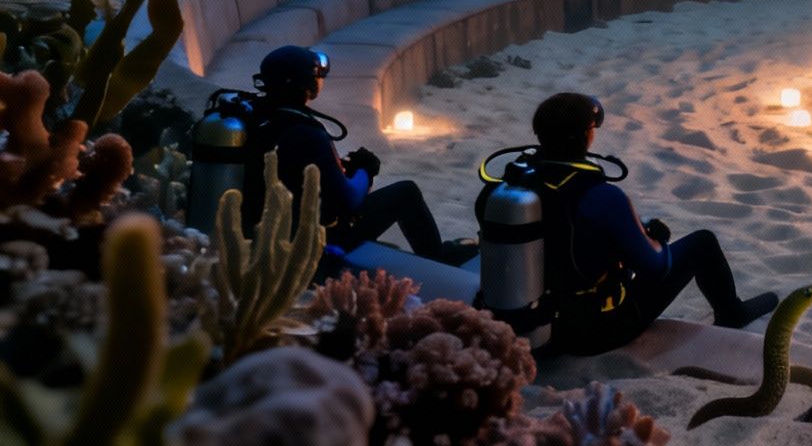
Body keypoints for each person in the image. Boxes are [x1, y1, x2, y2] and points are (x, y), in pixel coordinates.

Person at [510, 92, 777, 356]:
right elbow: (657, 267)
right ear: (587, 135)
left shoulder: (513, 185)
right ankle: (732, 314)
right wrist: (656, 238)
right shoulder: (602, 196)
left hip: (529, 324)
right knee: (703, 243)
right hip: (593, 333)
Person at [248, 45, 471, 265]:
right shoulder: (305, 133)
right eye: (316, 74)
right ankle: (437, 260)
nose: (320, 79)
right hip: (310, 242)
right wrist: (365, 171)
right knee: (406, 192)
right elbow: (348, 201)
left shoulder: (257, 116)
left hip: (263, 229)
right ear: (306, 85)